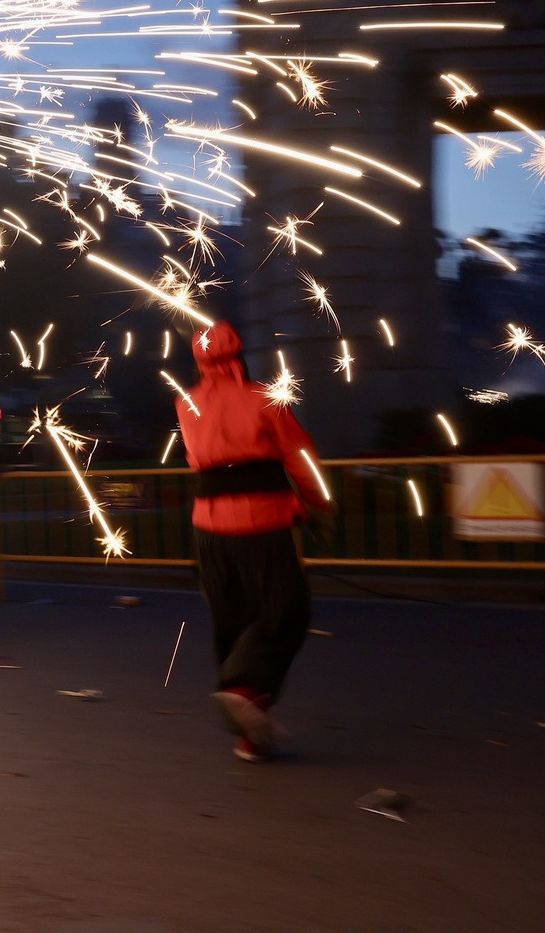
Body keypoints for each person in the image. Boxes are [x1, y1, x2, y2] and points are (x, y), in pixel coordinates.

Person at [175, 322, 332, 763]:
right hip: (261, 526)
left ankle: (250, 735)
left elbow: (203, 460)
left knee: (233, 621)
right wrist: (317, 503)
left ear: (199, 361)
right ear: (240, 355)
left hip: (208, 529)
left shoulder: (185, 403)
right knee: (285, 612)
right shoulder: (263, 398)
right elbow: (298, 454)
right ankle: (245, 693)